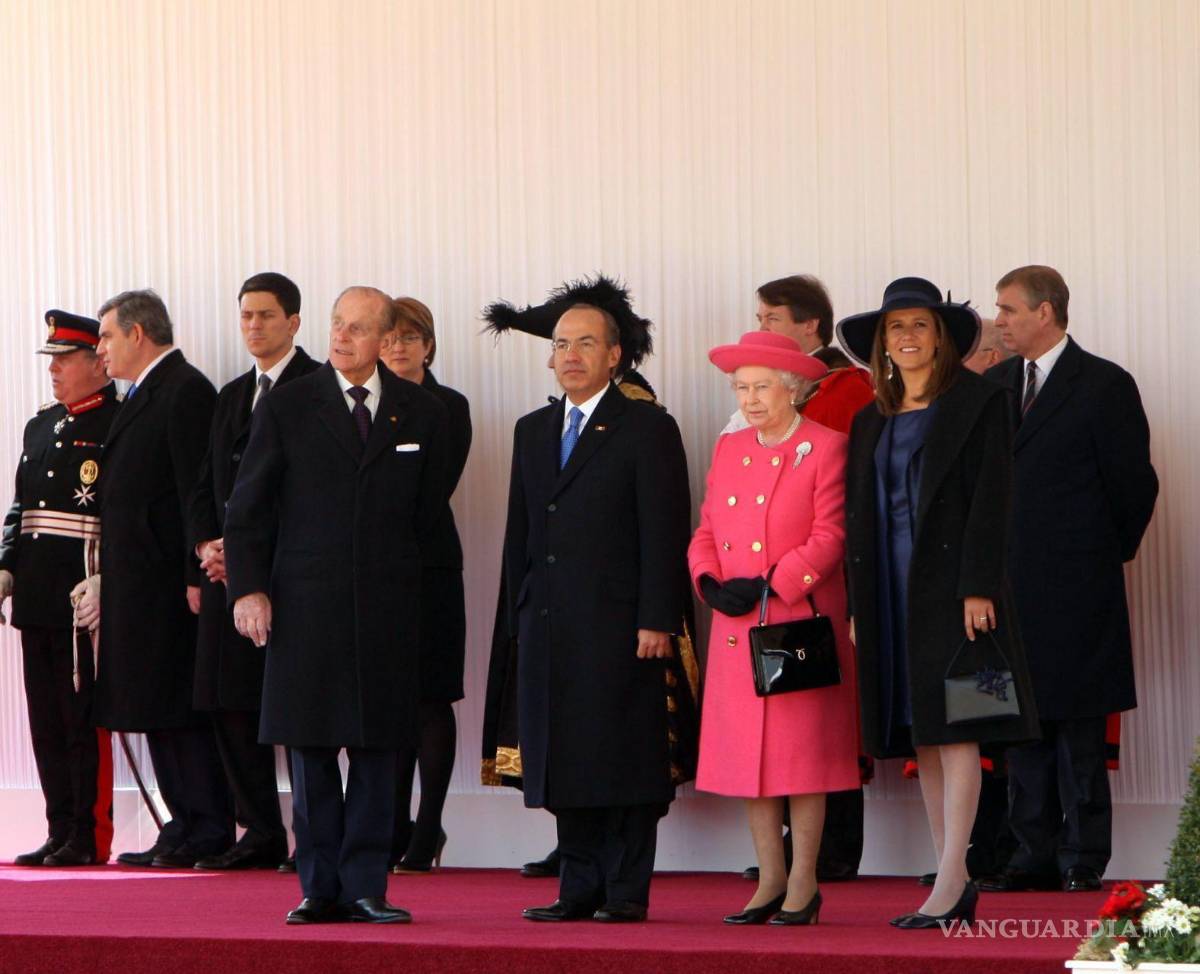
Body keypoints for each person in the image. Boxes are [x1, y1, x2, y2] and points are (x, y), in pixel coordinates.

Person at [224, 286, 449, 925]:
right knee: (312, 750)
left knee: (381, 751)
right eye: (336, 325)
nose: (341, 338)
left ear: (385, 339)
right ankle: (318, 886)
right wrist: (249, 587)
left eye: (357, 329)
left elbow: (425, 515)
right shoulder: (291, 404)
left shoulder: (419, 411)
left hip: (388, 611)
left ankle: (366, 886)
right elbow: (249, 507)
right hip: (304, 608)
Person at [480, 275, 700, 884]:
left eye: (583, 343)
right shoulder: (532, 430)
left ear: (614, 355)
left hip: (624, 626)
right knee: (564, 757)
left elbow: (664, 532)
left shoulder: (647, 427)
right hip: (549, 623)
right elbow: (520, 538)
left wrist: (657, 617)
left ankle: (625, 890)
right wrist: (518, 616)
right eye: (559, 344)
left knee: (626, 757)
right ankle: (576, 887)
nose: (568, 356)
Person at [838, 277, 1040, 928]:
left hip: (957, 595)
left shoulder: (980, 401)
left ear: (942, 336)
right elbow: (860, 517)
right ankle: (950, 874)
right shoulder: (870, 417)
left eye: (919, 325)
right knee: (924, 737)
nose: (906, 337)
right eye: (895, 328)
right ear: (882, 343)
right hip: (890, 598)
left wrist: (979, 585)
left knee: (960, 733)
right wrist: (857, 605)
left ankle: (953, 878)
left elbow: (993, 499)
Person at [979, 265, 1157, 894]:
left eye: (1007, 309)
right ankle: (1029, 854)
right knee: (1017, 726)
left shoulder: (1104, 384)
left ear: (1045, 312)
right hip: (1002, 590)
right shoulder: (994, 386)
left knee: (1079, 727)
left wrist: (1100, 557)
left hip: (1078, 586)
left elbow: (1135, 486)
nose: (997, 321)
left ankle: (1082, 856)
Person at [689, 331, 860, 925]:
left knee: (800, 762)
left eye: (762, 386)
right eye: (742, 387)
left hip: (795, 623)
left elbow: (833, 535)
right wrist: (708, 580)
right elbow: (707, 527)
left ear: (793, 388)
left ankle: (804, 883)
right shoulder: (730, 448)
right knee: (750, 766)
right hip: (738, 627)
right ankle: (769, 880)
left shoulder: (828, 447)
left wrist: (774, 581)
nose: (752, 398)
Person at [727, 276, 873, 885]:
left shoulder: (845, 390)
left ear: (811, 325)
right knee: (774, 735)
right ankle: (778, 864)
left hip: (813, 591)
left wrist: (783, 578)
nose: (762, 327)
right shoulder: (757, 406)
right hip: (753, 602)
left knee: (821, 727)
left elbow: (846, 509)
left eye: (773, 317)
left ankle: (832, 854)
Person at [82, 289, 232, 867]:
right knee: (151, 708)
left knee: (179, 709)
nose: (102, 350)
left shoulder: (185, 390)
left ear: (138, 334)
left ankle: (209, 825)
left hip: (172, 587)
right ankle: (182, 824)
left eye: (108, 337)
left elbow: (197, 491)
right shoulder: (143, 393)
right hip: (137, 584)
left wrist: (194, 575)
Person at [187, 272, 318, 871]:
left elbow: (312, 491)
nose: (254, 326)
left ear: (293, 322)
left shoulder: (317, 387)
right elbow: (206, 482)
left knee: (297, 707)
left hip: (288, 577)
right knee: (228, 701)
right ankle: (260, 830)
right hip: (225, 577)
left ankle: (313, 835)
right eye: (245, 316)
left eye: (266, 315)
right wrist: (209, 546)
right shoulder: (232, 394)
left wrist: (247, 554)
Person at [0, 311, 118, 867]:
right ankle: (55, 827)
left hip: (81, 601)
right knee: (45, 722)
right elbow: (20, 508)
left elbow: (124, 515)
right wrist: (5, 568)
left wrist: (108, 578)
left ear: (99, 360)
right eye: (53, 360)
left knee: (80, 723)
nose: (56, 370)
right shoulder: (40, 426)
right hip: (37, 596)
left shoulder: (117, 423)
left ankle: (86, 835)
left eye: (66, 359)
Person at [379, 296, 472, 873]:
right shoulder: (357, 402)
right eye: (388, 338)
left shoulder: (448, 405)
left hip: (429, 567)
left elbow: (432, 488)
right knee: (385, 701)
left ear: (428, 345)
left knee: (430, 698)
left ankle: (429, 825)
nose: (397, 347)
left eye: (409, 338)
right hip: (370, 573)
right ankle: (390, 825)